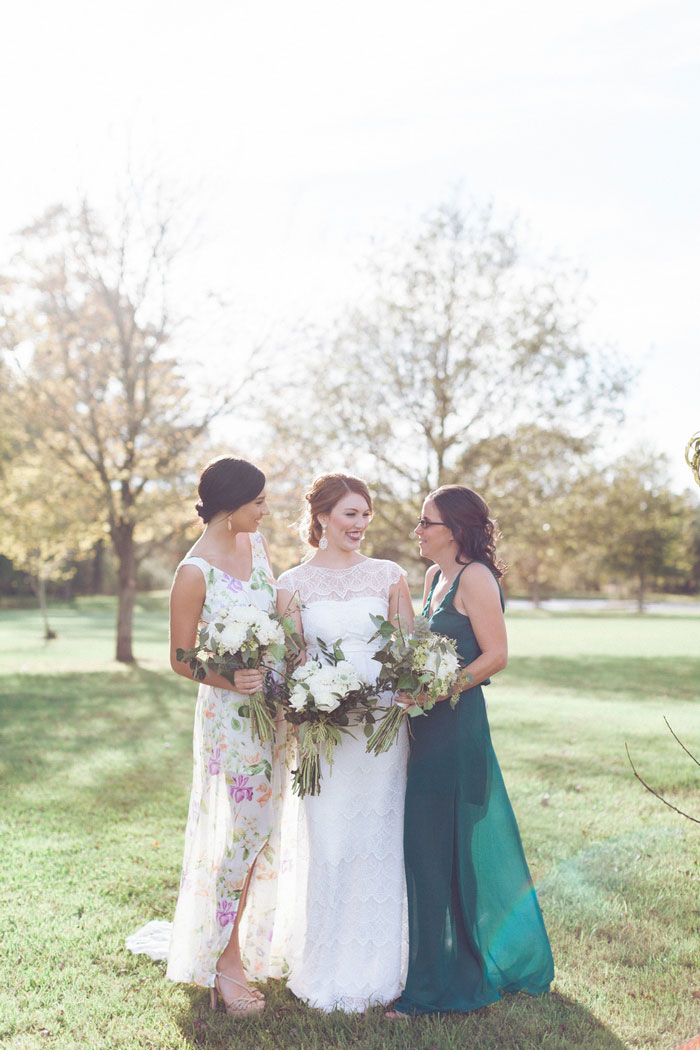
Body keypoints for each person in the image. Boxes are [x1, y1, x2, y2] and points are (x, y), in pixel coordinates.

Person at [388, 485, 554, 1018]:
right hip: (426, 729)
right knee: (431, 853)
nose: (417, 531)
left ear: (455, 529)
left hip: (456, 733)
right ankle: (442, 968)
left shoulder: (476, 578)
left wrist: (437, 689)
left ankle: (435, 991)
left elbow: (497, 655)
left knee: (439, 853)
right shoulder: (435, 578)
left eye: (425, 522)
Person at [276, 473, 414, 1012]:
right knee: (331, 840)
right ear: (322, 518)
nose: (359, 525)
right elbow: (289, 659)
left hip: (382, 728)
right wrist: (308, 695)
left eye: (365, 515)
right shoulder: (292, 583)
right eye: (349, 514)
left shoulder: (389, 576)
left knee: (378, 836)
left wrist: (408, 687)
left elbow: (407, 646)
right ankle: (325, 965)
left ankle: (379, 968)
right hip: (324, 731)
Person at [166, 456, 282, 1016]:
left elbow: (280, 618)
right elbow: (180, 658)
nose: (265, 510)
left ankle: (243, 944)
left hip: (273, 713)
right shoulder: (193, 573)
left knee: (264, 832)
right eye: (258, 501)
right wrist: (230, 678)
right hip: (230, 721)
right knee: (239, 833)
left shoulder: (257, 549)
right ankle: (223, 961)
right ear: (232, 505)